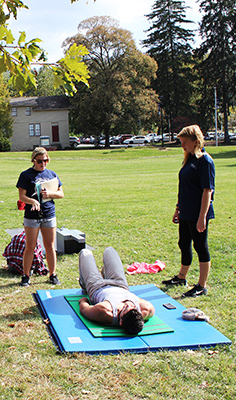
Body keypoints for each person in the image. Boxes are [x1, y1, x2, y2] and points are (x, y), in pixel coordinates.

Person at [162, 125, 215, 297]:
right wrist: (178, 208)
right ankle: (181, 277)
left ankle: (202, 285)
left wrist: (202, 217)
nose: (182, 146)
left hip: (198, 212)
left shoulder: (205, 161)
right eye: (181, 142)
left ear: (196, 141)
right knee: (183, 243)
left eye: (185, 142)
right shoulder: (189, 159)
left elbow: (208, 191)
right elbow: (184, 187)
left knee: (200, 246)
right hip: (186, 210)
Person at [78, 247, 155, 335]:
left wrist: (83, 300)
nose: (128, 304)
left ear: (120, 321)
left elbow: (84, 309)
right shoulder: (147, 309)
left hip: (96, 286)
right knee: (109, 250)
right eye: (132, 306)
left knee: (85, 252)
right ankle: (105, 273)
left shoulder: (105, 312)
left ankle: (84, 284)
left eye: (125, 308)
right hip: (120, 284)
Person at [16, 147, 64, 287]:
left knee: (50, 246)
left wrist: (50, 194)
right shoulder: (26, 175)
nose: (43, 164)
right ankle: (26, 276)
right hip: (31, 216)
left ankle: (53, 274)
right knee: (30, 246)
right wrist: (33, 201)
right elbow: (22, 196)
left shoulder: (51, 174)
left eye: (46, 160)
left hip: (48, 213)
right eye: (40, 161)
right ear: (33, 160)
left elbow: (61, 193)